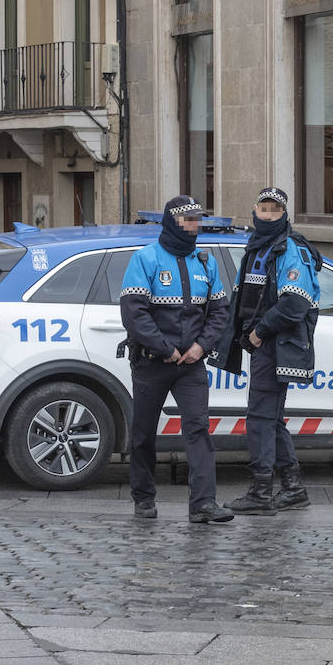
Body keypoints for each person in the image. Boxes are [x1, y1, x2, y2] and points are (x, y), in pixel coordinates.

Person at [119, 195, 234, 523]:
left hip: (191, 365)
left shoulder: (205, 262)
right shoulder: (146, 259)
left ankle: (203, 504)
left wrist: (200, 346)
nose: (194, 227)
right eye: (188, 221)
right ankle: (143, 498)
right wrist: (165, 349)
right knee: (143, 432)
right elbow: (134, 313)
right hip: (152, 363)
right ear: (173, 222)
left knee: (198, 430)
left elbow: (219, 311)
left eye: (197, 220)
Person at [214, 188, 322, 515]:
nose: (269, 214)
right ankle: (293, 489)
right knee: (271, 419)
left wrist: (259, 333)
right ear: (255, 211)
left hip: (276, 344)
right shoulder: (258, 247)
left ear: (284, 213)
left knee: (260, 418)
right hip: (265, 344)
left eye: (275, 210)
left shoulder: (288, 249)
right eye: (264, 208)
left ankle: (261, 494)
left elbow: (294, 304)